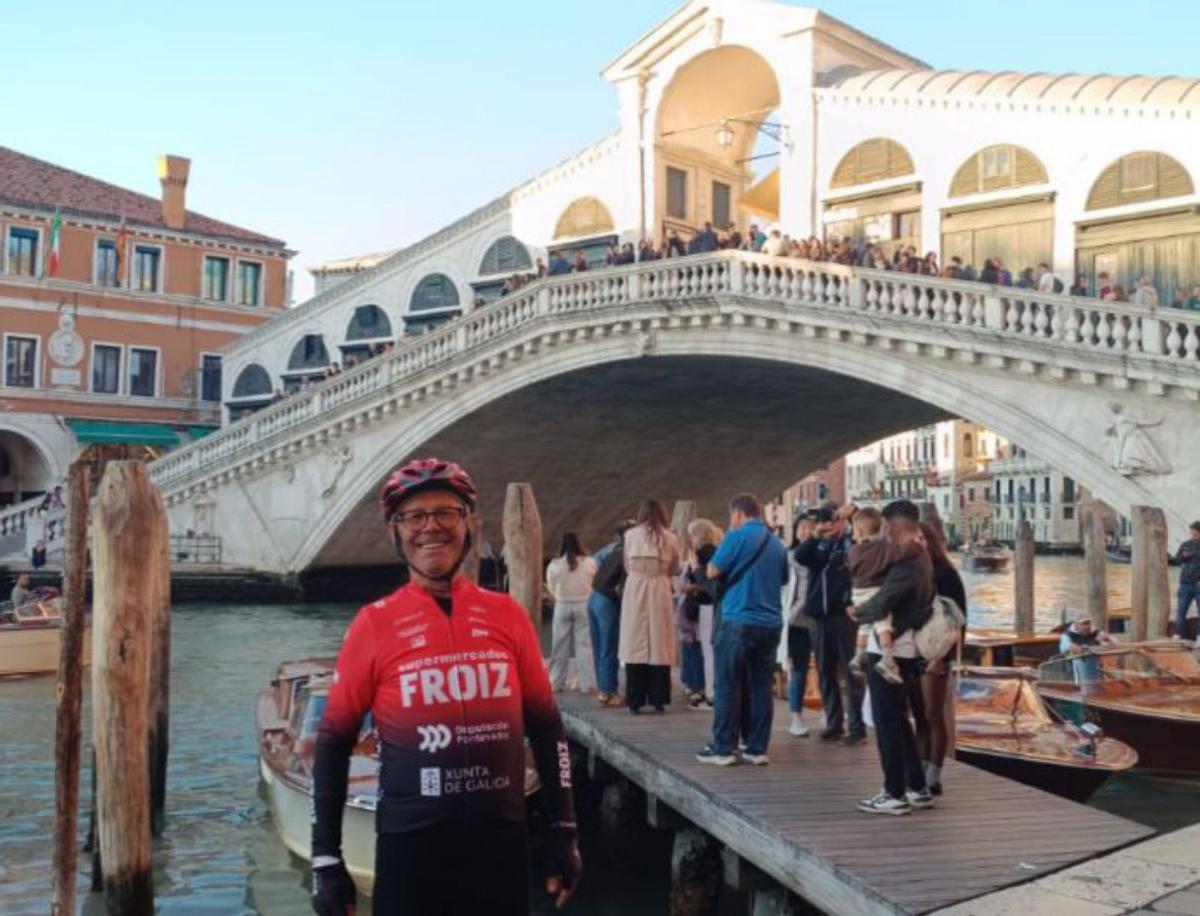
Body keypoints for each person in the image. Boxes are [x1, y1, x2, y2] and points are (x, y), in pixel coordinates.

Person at [310, 458, 581, 916]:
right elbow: (333, 744)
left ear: (469, 525)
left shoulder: (508, 615)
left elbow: (547, 727)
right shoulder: (373, 624)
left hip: (501, 845)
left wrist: (565, 829)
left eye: (446, 512)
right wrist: (326, 859)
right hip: (410, 850)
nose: (430, 527)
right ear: (396, 533)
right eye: (414, 516)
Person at [851, 500, 934, 815]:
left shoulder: (906, 562)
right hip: (907, 646)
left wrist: (857, 612)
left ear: (894, 525)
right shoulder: (921, 555)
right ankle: (916, 786)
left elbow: (883, 600)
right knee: (899, 720)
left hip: (892, 649)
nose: (883, 532)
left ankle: (893, 793)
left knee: (887, 722)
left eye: (885, 526)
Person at [695, 494, 788, 766]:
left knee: (727, 685)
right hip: (770, 623)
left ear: (737, 514)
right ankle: (757, 749)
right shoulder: (777, 543)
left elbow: (712, 571)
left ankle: (723, 748)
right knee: (761, 687)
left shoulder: (736, 537)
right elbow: (783, 578)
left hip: (738, 620)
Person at [795, 506, 864, 745]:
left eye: (833, 520)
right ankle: (834, 723)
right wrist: (816, 535)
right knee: (825, 671)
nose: (829, 525)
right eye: (824, 521)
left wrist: (851, 514)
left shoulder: (850, 543)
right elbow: (800, 557)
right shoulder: (818, 546)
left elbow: (868, 533)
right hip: (819, 617)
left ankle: (856, 727)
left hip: (844, 616)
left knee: (851, 671)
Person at [916, 521, 966, 797]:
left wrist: (942, 657)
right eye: (915, 538)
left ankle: (933, 776)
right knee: (920, 716)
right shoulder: (914, 571)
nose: (918, 543)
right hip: (913, 650)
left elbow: (956, 620)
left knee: (932, 714)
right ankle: (921, 771)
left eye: (922, 538)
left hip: (936, 653)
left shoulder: (945, 575)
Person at [618, 499, 681, 714]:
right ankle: (658, 698)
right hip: (659, 588)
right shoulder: (670, 537)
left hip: (635, 587)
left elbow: (627, 565)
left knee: (634, 642)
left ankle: (634, 700)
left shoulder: (630, 535)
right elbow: (675, 567)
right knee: (659, 643)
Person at [847, 507, 903, 685]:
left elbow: (849, 568)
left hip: (858, 592)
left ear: (860, 530)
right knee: (883, 626)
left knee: (864, 625)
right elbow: (896, 558)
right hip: (876, 590)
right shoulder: (885, 547)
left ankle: (858, 656)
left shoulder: (853, 551)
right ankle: (887, 659)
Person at [546, 532, 597, 692]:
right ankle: (587, 683)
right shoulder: (589, 562)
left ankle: (556, 682)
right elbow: (594, 582)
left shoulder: (555, 565)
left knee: (559, 646)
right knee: (584, 645)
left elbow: (550, 586)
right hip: (583, 604)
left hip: (562, 605)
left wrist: (558, 596)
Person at [588, 522, 631, 707]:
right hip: (607, 602)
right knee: (609, 647)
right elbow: (623, 587)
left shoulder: (611, 551)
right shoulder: (627, 555)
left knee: (599, 647)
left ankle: (602, 690)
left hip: (593, 598)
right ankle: (609, 692)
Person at [681, 519, 723, 710]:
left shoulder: (700, 554)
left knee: (708, 652)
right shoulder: (716, 550)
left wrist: (692, 577)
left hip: (706, 606)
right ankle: (713, 692)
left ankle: (711, 695)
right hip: (714, 606)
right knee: (713, 651)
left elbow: (703, 579)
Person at [784, 515, 816, 737]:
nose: (805, 531)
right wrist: (791, 615)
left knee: (826, 667)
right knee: (799, 669)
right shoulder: (788, 557)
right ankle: (796, 716)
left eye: (810, 528)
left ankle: (830, 715)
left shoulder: (821, 555)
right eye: (802, 528)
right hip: (796, 621)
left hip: (818, 619)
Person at [1059, 612, 1114, 687]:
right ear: (1076, 624)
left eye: (1088, 623)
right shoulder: (1067, 636)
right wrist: (1073, 648)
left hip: (1096, 670)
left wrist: (1109, 639)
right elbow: (1066, 649)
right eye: (1083, 624)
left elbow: (1115, 643)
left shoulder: (1095, 632)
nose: (1087, 626)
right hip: (1075, 674)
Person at [1173, 522, 1200, 641]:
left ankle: (1199, 636)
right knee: (1181, 611)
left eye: (1196, 533)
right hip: (1185, 584)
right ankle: (1179, 635)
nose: (1193, 535)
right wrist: (1184, 556)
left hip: (1198, 585)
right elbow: (1176, 560)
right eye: (1192, 532)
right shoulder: (1185, 545)